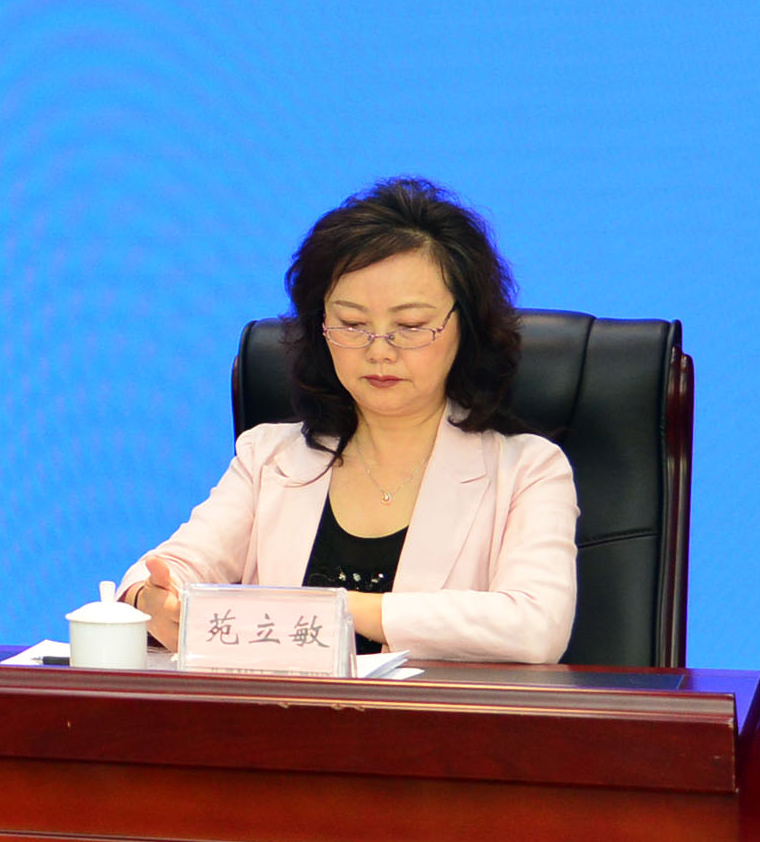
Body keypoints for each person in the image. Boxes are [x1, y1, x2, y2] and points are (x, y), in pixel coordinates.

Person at [121, 177, 578, 664]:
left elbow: (536, 628)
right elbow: (164, 571)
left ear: (465, 326)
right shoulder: (267, 458)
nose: (379, 351)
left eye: (410, 326)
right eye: (353, 324)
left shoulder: (527, 470)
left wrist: (331, 609)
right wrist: (151, 600)